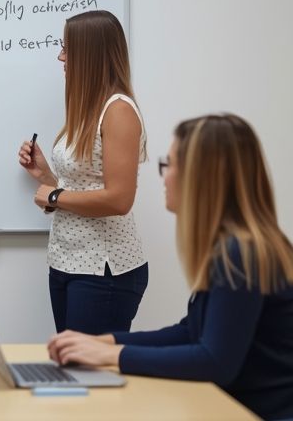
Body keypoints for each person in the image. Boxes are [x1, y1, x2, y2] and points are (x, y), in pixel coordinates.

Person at [47, 114, 293, 421]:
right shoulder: (233, 246)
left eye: (170, 164)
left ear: (202, 176)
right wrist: (105, 342)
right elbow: (191, 332)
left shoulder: (241, 253)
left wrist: (112, 354)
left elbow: (215, 362)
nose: (164, 177)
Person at [19, 10, 149, 334]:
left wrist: (53, 195)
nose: (61, 57)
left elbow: (119, 200)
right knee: (69, 361)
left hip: (104, 270)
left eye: (67, 48)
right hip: (66, 262)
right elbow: (80, 189)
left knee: (88, 365)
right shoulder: (88, 109)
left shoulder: (118, 111)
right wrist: (45, 176)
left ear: (90, 53)